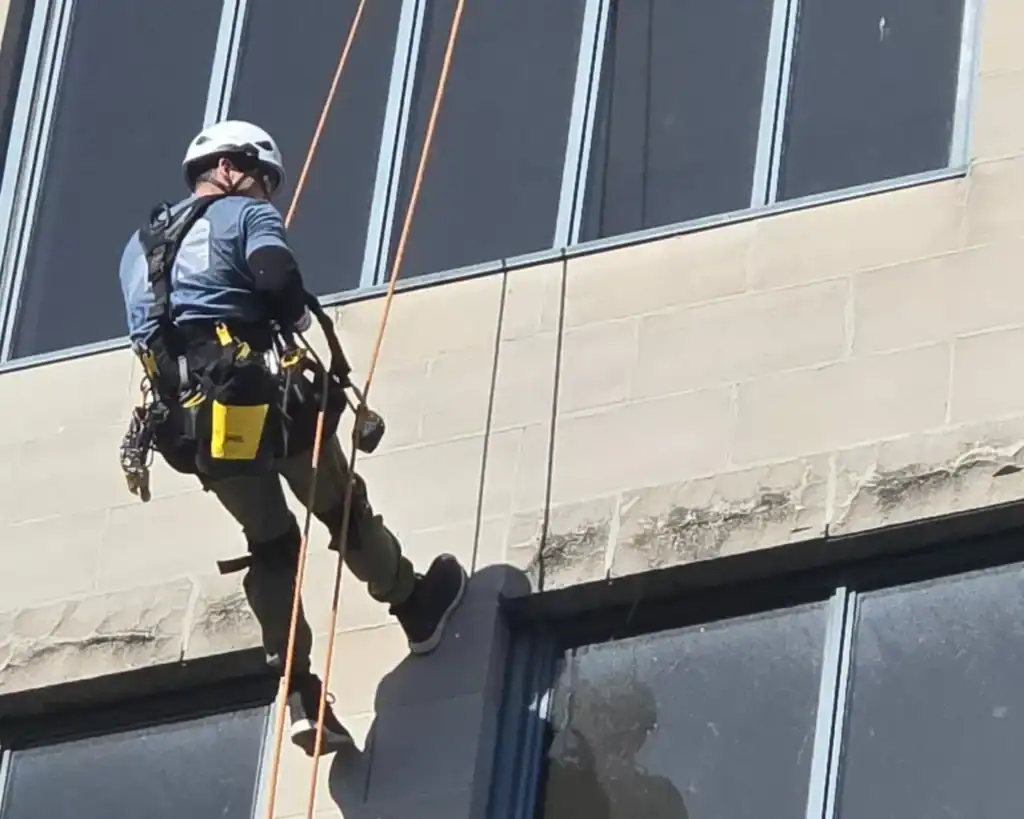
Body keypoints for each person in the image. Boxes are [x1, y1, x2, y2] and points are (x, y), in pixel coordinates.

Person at [117, 120, 468, 757]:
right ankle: (415, 606)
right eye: (263, 181)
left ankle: (302, 694)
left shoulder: (135, 251)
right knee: (340, 506)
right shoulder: (245, 214)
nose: (267, 195)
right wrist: (297, 315)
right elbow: (276, 279)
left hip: (193, 428)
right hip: (261, 401)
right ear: (229, 169)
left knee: (271, 545)